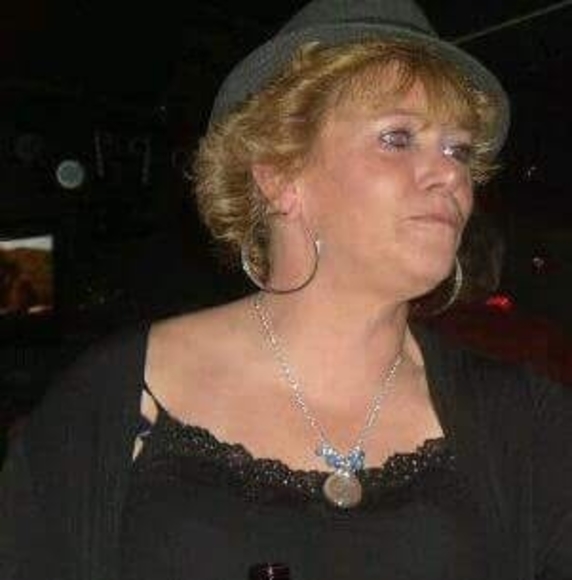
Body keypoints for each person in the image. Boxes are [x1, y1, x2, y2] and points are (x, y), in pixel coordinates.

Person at [1, 1, 571, 579]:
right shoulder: (115, 398)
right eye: (398, 138)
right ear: (279, 175)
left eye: (458, 150)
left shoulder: (524, 421)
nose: (451, 174)